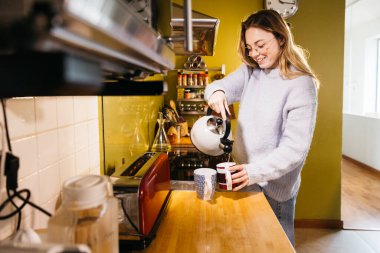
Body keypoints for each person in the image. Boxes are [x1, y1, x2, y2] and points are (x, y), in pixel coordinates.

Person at [204, 9, 319, 246]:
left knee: (275, 246)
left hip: (274, 188)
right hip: (245, 177)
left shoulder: (301, 84)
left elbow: (295, 150)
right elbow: (218, 86)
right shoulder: (250, 72)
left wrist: (252, 172)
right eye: (249, 47)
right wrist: (216, 93)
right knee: (247, 242)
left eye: (260, 45)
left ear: (280, 38)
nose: (254, 53)